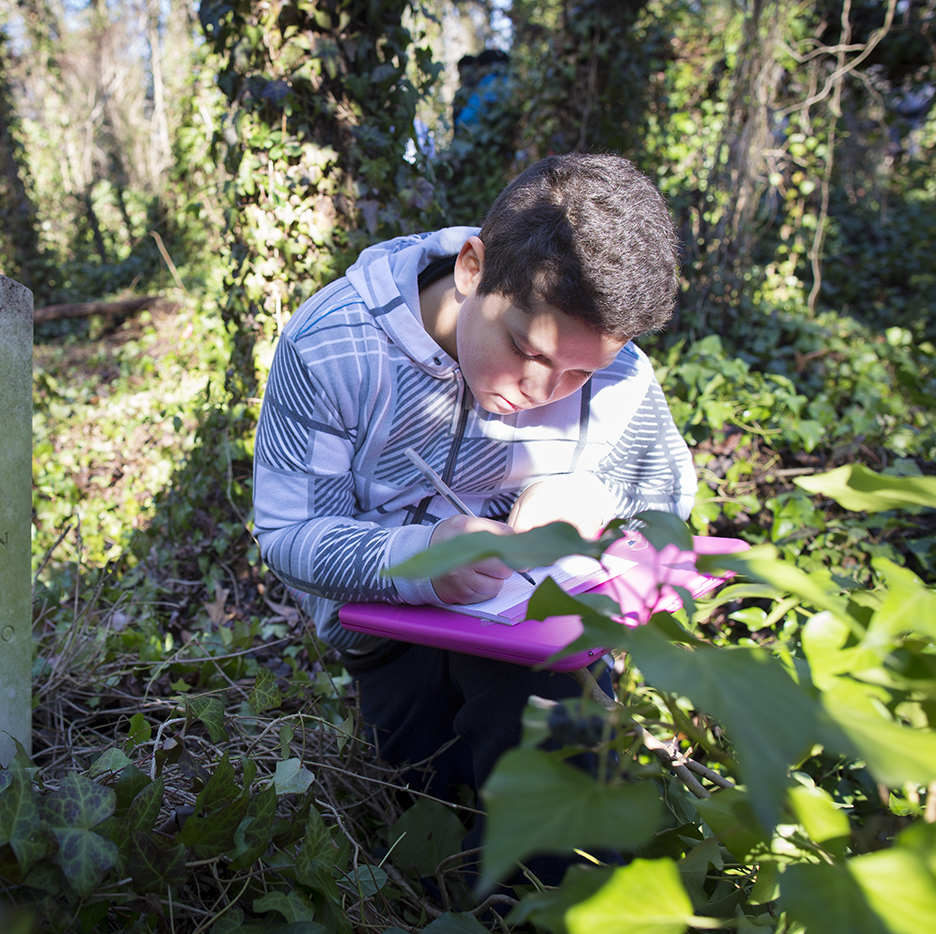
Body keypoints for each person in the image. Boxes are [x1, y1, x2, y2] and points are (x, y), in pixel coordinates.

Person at [251, 154, 697, 885]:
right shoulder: (331, 346)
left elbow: (667, 497)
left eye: (576, 374)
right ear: (471, 268)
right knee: (425, 828)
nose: (543, 389)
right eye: (527, 349)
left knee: (560, 801)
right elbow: (289, 533)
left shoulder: (614, 368)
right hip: (392, 640)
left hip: (544, 640)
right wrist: (420, 558)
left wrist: (598, 502)